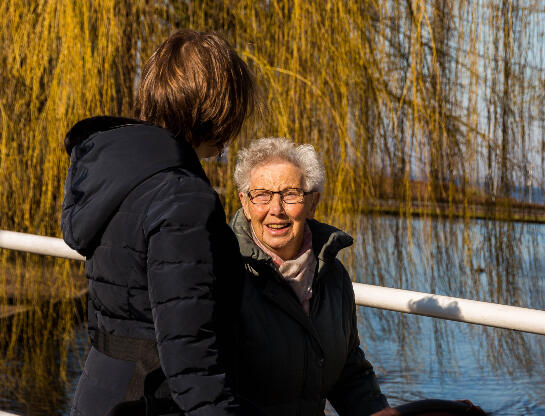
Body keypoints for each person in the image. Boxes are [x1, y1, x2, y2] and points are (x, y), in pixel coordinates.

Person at [61, 29, 255, 416]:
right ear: (216, 105)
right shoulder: (181, 196)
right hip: (153, 400)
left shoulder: (113, 177)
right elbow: (190, 356)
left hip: (100, 389)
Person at [229, 137, 398, 416]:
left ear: (312, 202)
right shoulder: (226, 270)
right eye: (261, 195)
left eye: (290, 194)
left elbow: (348, 370)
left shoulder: (333, 277)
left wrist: (375, 410)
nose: (276, 208)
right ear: (245, 204)